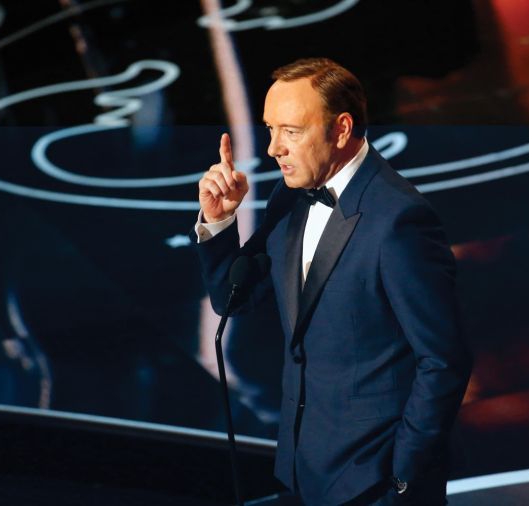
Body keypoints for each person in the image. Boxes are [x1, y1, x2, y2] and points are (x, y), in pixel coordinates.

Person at [194, 58, 471, 505]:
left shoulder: (399, 221)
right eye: (269, 130)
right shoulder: (289, 197)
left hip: (373, 483)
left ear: (341, 129)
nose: (272, 149)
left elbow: (443, 361)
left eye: (291, 131)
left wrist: (402, 477)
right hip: (303, 471)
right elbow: (234, 300)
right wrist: (220, 222)